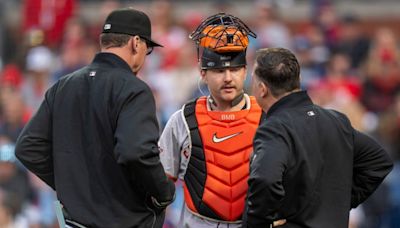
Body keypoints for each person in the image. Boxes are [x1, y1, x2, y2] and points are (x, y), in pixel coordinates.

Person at [15, 8, 175, 228]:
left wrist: (71, 186)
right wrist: (164, 192)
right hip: (120, 220)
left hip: (71, 222)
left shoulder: (63, 85)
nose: (145, 58)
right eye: (147, 50)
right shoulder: (134, 89)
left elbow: (27, 147)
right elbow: (134, 152)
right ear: (135, 43)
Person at [243, 47, 393, 228]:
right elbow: (379, 161)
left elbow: (265, 180)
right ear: (297, 81)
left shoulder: (274, 128)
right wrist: (338, 203)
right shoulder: (336, 120)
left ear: (262, 89)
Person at [159, 13, 284, 227]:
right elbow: (160, 182)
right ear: (203, 73)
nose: (227, 78)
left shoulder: (269, 116)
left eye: (234, 69)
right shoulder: (184, 119)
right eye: (218, 70)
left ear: (245, 71)